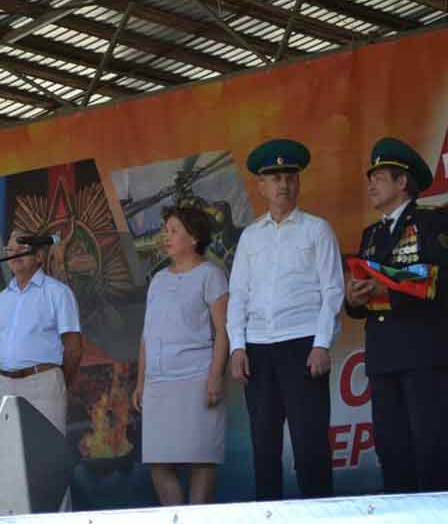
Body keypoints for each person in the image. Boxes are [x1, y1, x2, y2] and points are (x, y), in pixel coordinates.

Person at [227, 139, 344, 500]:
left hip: (303, 344)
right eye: (274, 177)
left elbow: (333, 291)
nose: (283, 184)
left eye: (289, 176)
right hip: (259, 349)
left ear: (299, 182)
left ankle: (320, 514)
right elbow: (239, 295)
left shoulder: (317, 229)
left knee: (310, 444)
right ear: (260, 186)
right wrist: (237, 347)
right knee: (264, 446)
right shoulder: (249, 236)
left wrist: (322, 344)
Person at [345, 137, 448, 493]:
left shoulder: (432, 222)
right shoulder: (370, 234)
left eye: (379, 177)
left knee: (432, 450)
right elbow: (362, 298)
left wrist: (386, 288)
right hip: (384, 356)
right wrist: (354, 297)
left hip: (424, 354)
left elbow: (440, 278)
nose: (370, 184)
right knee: (393, 451)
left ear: (402, 182)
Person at [131, 206, 229, 505]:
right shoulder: (158, 279)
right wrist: (140, 383)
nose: (166, 236)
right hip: (158, 382)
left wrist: (215, 376)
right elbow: (147, 334)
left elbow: (224, 331)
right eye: (166, 230)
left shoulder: (211, 274)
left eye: (174, 230)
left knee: (201, 459)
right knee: (159, 463)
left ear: (195, 237)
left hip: (196, 378)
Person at [0, 229, 82, 435]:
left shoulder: (58, 292)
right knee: (8, 452)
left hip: (43, 383)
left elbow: (73, 346)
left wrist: (58, 381)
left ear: (39, 256)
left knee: (46, 452)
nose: (15, 253)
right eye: (11, 249)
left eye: (22, 248)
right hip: (5, 385)